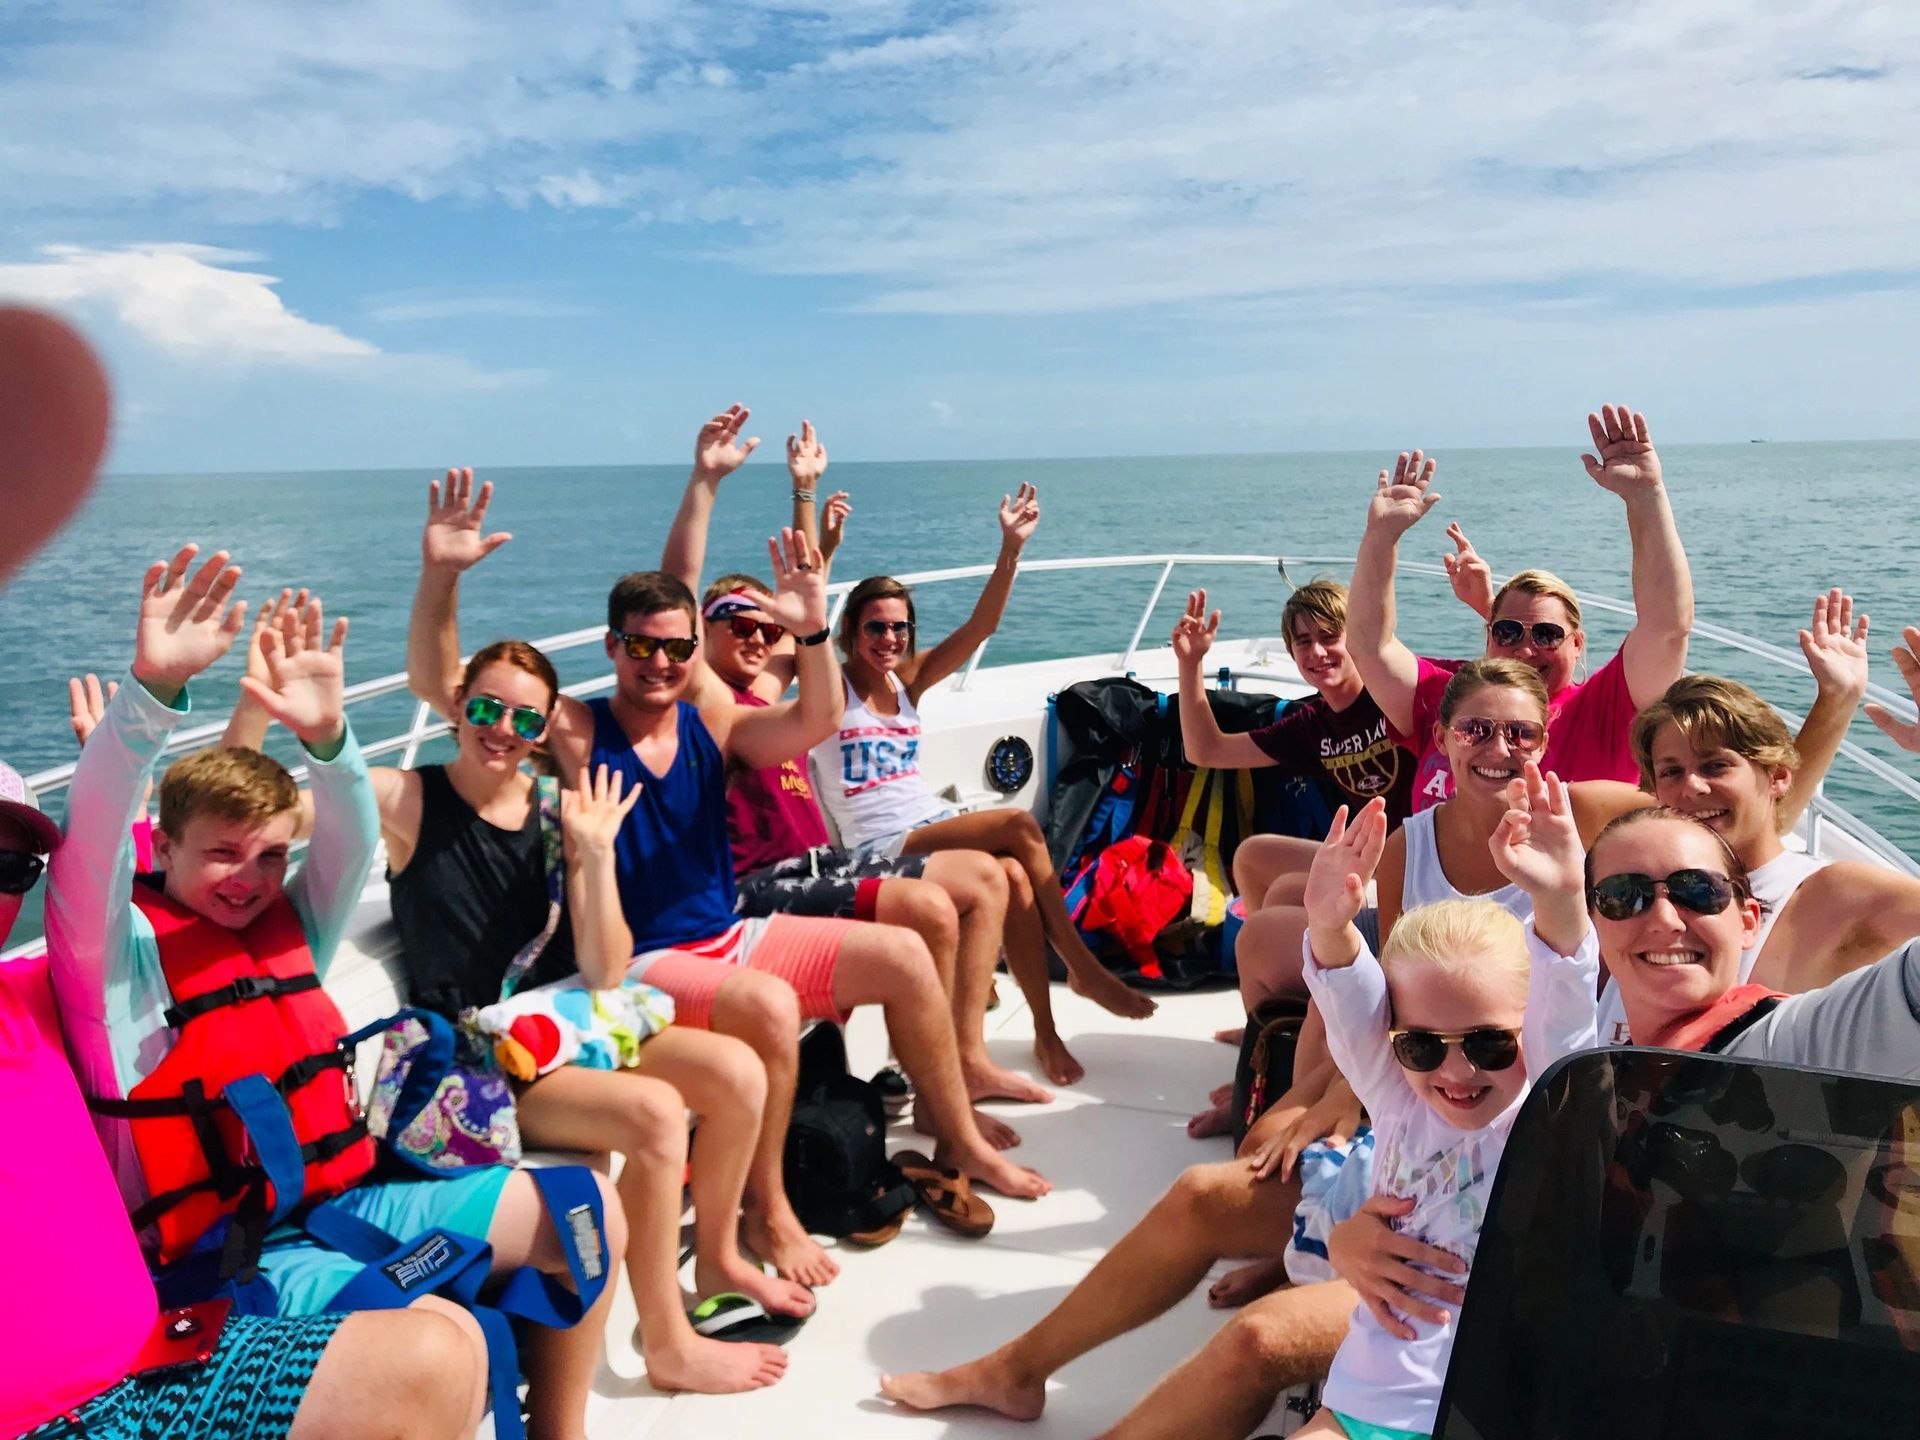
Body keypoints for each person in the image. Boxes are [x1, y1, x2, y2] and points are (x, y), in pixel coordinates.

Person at [43, 548, 623, 1440]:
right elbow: (89, 850)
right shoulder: (115, 970)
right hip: (227, 1257)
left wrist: (327, 738)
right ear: (162, 848)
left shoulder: (288, 929)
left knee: (586, 1211)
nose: (250, 878)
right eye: (223, 854)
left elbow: (348, 837)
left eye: (271, 855)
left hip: (342, 1201)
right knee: (444, 1343)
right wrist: (151, 696)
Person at [408, 481, 1046, 1290]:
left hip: (728, 930)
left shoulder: (714, 723)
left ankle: (957, 1137)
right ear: (612, 648)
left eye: (676, 649)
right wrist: (441, 577)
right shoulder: (577, 729)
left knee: (906, 957)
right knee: (770, 1006)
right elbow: (444, 686)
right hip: (642, 959)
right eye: (641, 647)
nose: (661, 663)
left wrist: (811, 629)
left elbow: (816, 720)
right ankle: (765, 1208)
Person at [226, 584, 794, 1390]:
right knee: (657, 1114)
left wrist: (595, 855)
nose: (502, 730)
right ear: (458, 705)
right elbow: (259, 808)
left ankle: (715, 1264)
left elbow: (606, 970)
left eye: (526, 719)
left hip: (561, 1027)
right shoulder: (405, 798)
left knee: (738, 1073)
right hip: (469, 1061)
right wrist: (256, 711)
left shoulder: (564, 808)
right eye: (488, 709)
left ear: (543, 729)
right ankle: (667, 1340)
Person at [1, 764, 484, 1440]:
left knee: (451, 1343)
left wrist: (140, 799)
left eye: (9, 867)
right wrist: (140, 722)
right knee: (429, 1353)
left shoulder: (35, 992)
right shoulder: (87, 980)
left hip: (150, 1360)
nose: (248, 875)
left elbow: (107, 886)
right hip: (62, 1412)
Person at [657, 409, 1050, 1124]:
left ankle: (958, 1063)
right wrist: (728, 485)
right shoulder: (716, 706)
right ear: (701, 635)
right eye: (736, 623)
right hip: (770, 880)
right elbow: (681, 599)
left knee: (990, 878)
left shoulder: (776, 695)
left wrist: (812, 515)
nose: (756, 636)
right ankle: (952, 1072)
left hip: (824, 861)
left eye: (764, 627)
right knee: (954, 891)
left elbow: (805, 601)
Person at [1290, 777, 1597, 1440]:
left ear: (1530, 1028)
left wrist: (1562, 900)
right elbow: (1348, 998)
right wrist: (1328, 924)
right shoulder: (1396, 1096)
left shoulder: (1554, 1115)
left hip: (1500, 1413)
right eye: (1423, 1045)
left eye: (1490, 1043)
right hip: (1368, 1407)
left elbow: (1568, 1014)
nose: (1456, 1071)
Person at [818, 487, 1157, 1088]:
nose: (889, 639)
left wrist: (1010, 549)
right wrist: (822, 545)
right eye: (875, 627)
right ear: (849, 629)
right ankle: (1081, 966)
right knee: (1017, 825)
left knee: (1015, 877)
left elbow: (982, 626)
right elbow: (802, 622)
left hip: (926, 824)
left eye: (900, 628)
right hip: (877, 846)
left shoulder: (906, 681)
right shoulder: (828, 686)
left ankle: (1045, 1032)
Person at [1347, 406, 1693, 809]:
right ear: (1489, 634)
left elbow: (1666, 627)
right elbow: (1369, 646)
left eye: (1547, 634)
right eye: (1508, 631)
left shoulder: (1606, 709)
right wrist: (1381, 536)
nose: (1525, 649)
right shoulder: (1448, 699)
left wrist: (1646, 495)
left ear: (1577, 644)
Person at [1173, 580, 1416, 1137]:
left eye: (1331, 636)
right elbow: (1205, 750)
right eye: (1303, 641)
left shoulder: (1397, 698)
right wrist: (1190, 666)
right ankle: (1275, 1017)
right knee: (1257, 860)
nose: (1317, 651)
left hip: (1411, 876)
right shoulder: (1314, 724)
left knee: (1260, 934)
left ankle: (1267, 1071)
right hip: (1370, 863)